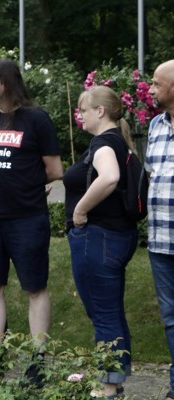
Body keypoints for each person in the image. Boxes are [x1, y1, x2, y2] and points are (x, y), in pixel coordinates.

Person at [0, 59, 63, 385]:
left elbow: (54, 169)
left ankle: (38, 361)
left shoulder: (37, 119)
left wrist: (25, 185)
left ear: (5, 83)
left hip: (27, 218)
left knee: (34, 287)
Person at [64, 86, 138, 398]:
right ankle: (114, 378)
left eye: (82, 109)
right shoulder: (115, 141)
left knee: (103, 312)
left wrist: (80, 210)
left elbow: (108, 177)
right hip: (112, 236)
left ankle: (109, 386)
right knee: (109, 310)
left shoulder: (104, 143)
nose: (78, 115)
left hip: (99, 237)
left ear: (100, 112)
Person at [146, 59, 174, 400]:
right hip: (160, 240)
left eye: (156, 83)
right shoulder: (154, 125)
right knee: (170, 318)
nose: (150, 90)